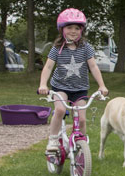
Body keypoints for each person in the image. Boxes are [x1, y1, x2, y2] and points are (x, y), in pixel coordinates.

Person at [38, 8, 109, 153]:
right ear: (62, 29)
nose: (73, 31)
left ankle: (81, 143)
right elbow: (48, 67)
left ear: (82, 30)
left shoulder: (85, 48)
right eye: (69, 27)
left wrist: (102, 85)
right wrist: (43, 84)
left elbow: (94, 67)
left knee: (81, 119)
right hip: (60, 87)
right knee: (60, 109)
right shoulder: (57, 48)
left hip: (80, 89)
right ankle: (53, 140)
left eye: (77, 28)